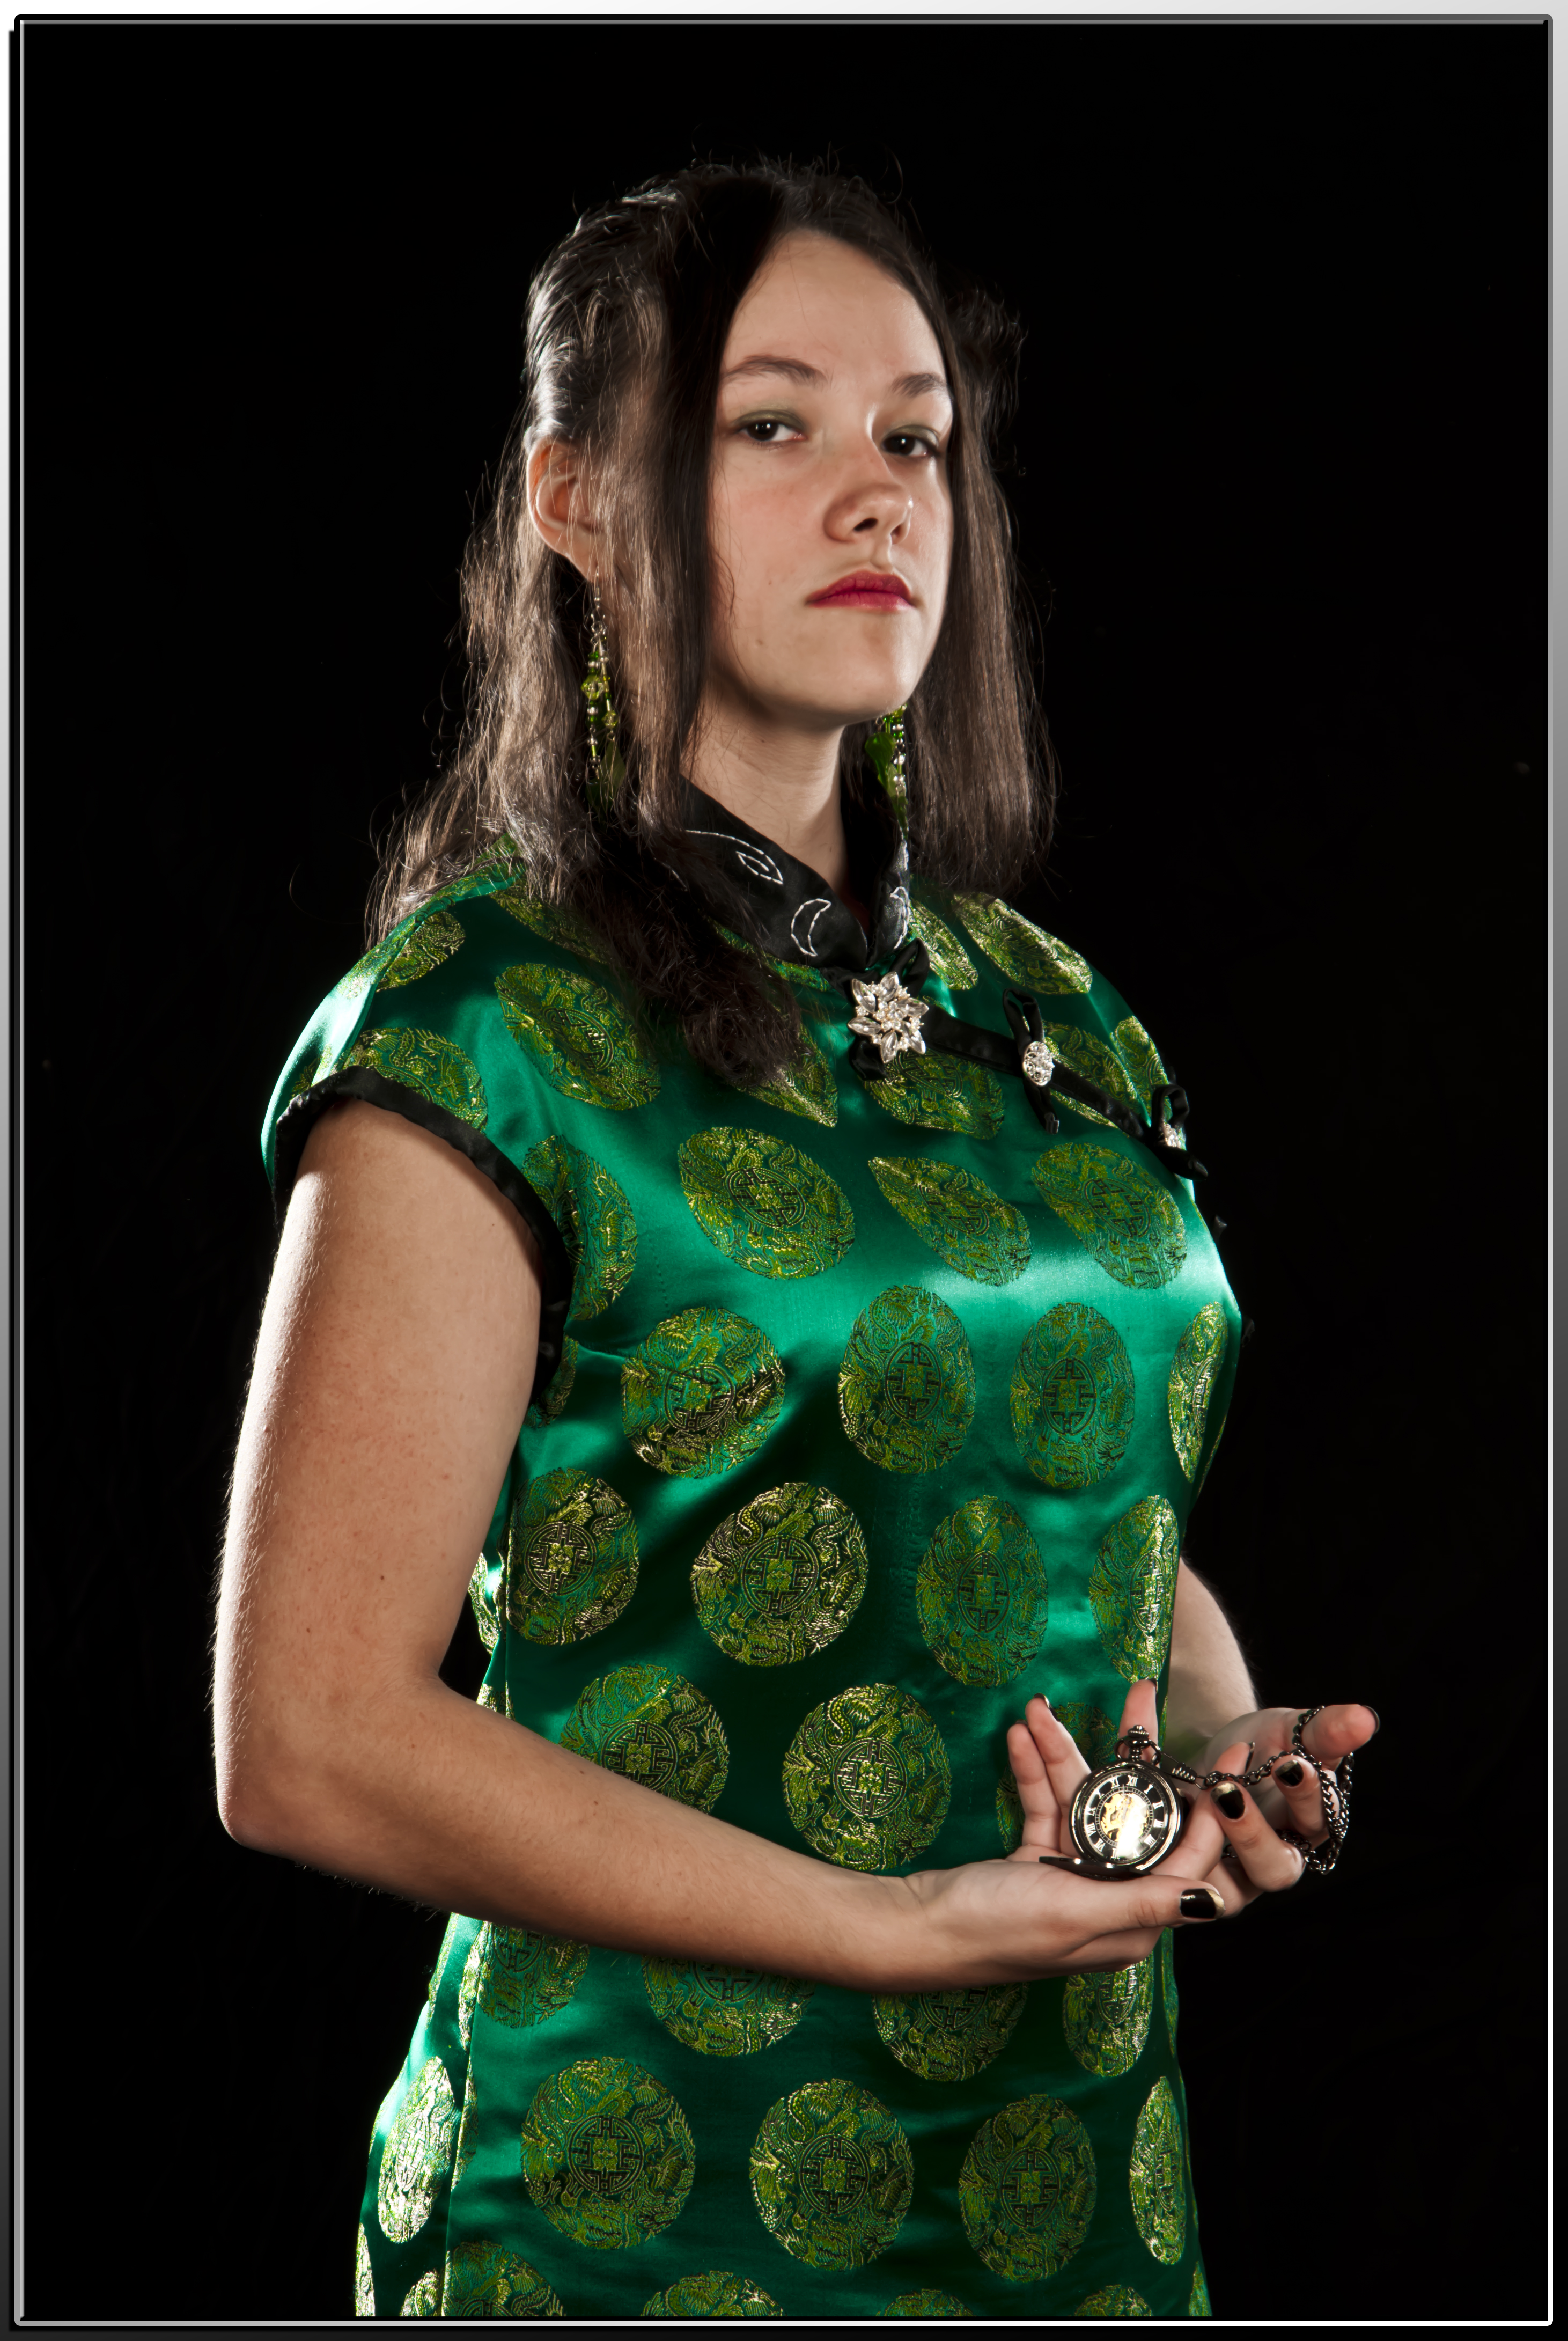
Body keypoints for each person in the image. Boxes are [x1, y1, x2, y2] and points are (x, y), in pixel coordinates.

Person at [214, 160, 1375, 2322]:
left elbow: (1057, 1508)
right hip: (637, 2208)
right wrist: (892, 1924)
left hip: (1076, 2194)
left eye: (914, 438)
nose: (876, 495)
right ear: (574, 501)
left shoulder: (1050, 1010)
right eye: (774, 423)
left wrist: (1225, 1749)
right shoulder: (482, 1026)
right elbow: (306, 1729)